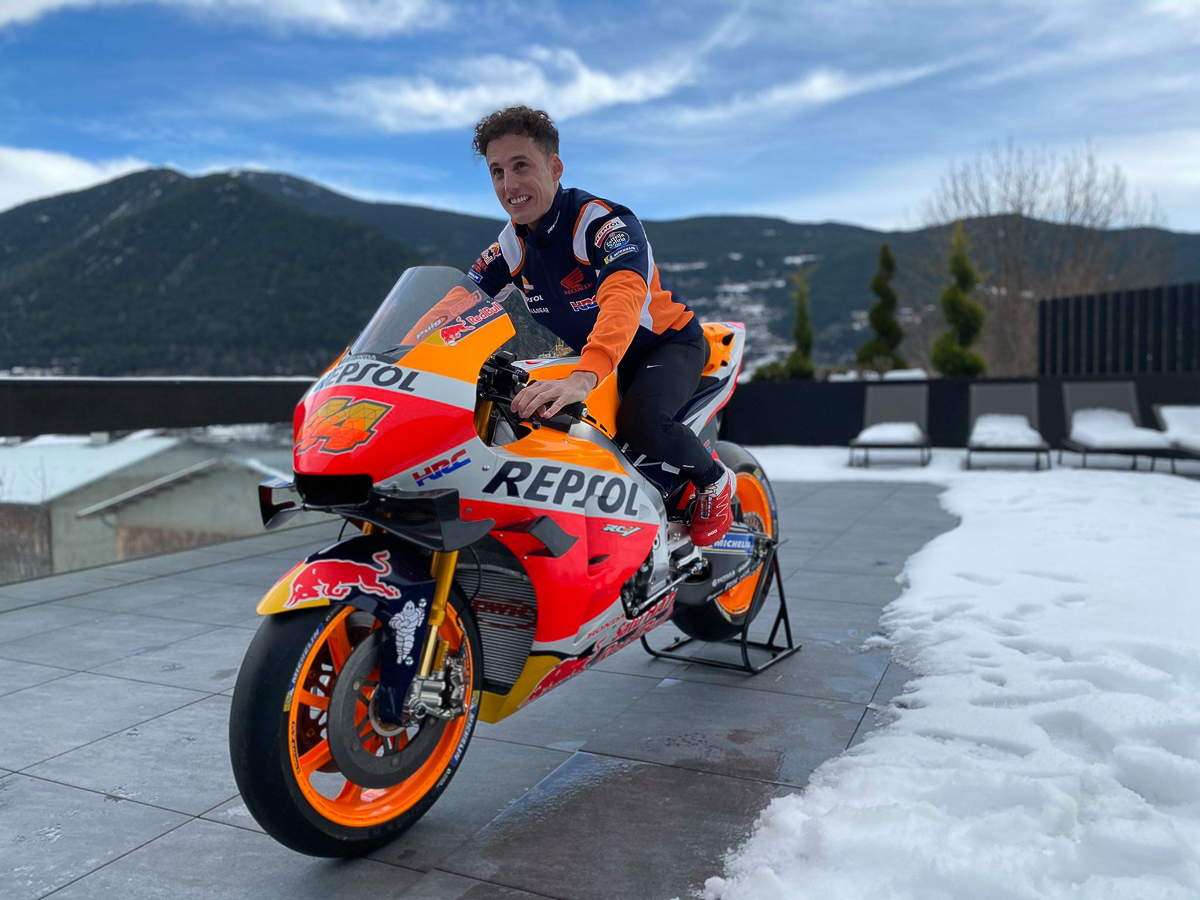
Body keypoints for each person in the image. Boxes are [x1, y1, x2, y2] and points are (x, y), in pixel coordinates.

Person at [466, 106, 733, 547]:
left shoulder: (603, 224)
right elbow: (455, 306)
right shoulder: (509, 248)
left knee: (642, 422)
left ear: (555, 167)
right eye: (497, 171)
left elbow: (623, 298)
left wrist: (583, 376)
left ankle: (715, 481)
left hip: (664, 345)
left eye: (521, 166)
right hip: (597, 359)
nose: (509, 185)